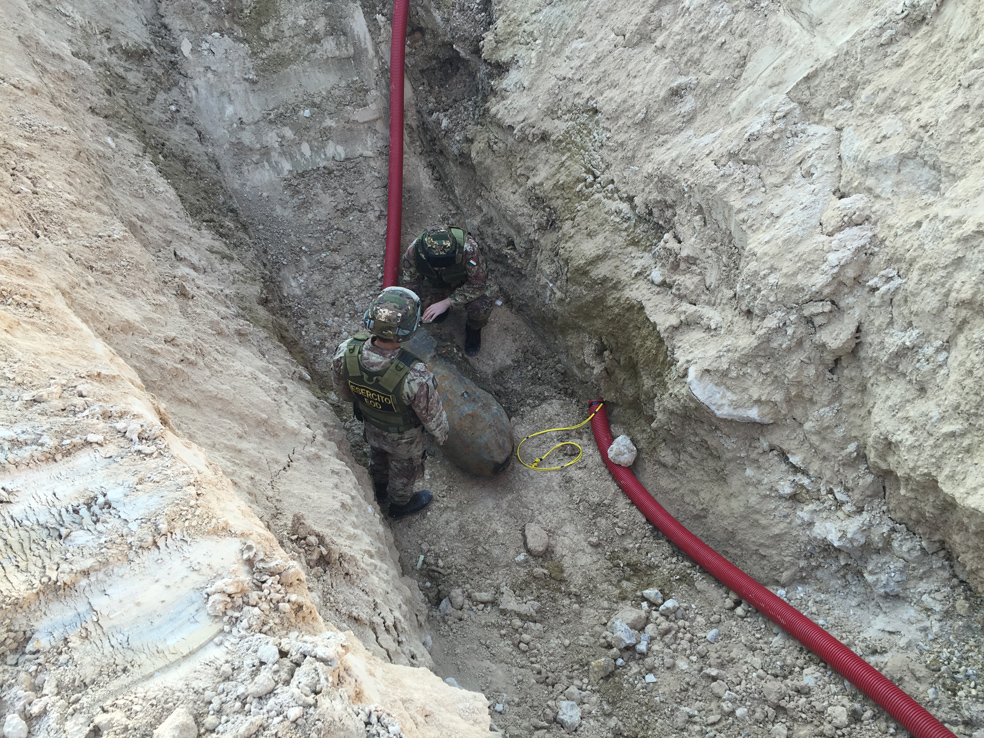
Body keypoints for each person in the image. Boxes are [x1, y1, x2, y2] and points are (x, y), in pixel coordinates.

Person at [331, 287, 449, 520]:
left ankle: (379, 489)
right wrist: (441, 437)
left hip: (372, 425)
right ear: (409, 330)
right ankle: (400, 506)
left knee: (378, 458)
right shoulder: (415, 375)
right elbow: (434, 420)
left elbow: (344, 394)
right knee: (404, 473)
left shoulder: (346, 351)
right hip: (405, 440)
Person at [400, 225, 494, 356]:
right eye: (438, 263)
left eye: (447, 261)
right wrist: (413, 313)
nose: (443, 267)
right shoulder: (414, 252)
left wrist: (446, 303)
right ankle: (438, 311)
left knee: (481, 305)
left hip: (463, 284)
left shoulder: (468, 248)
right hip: (435, 285)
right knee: (420, 304)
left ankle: (473, 329)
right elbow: (410, 283)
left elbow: (478, 284)